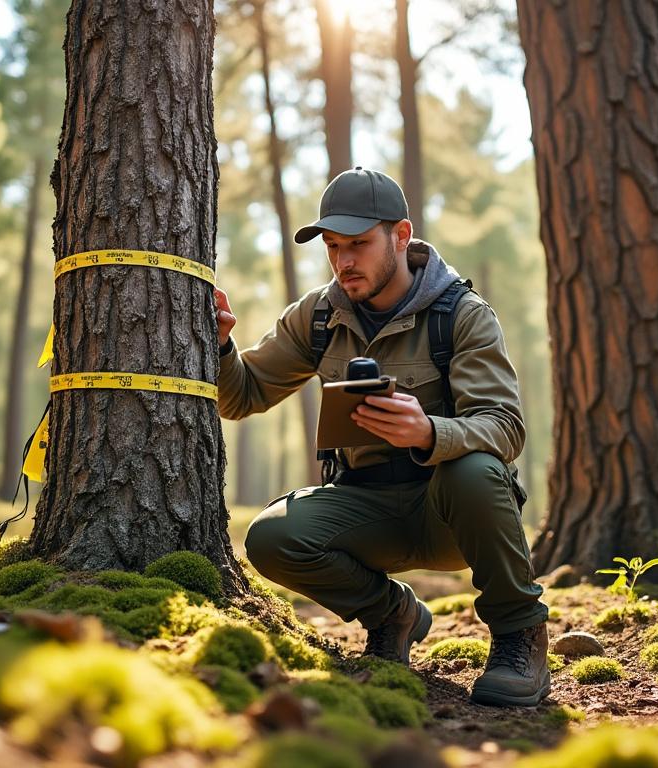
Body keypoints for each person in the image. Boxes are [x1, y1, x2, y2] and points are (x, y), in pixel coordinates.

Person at [214, 167, 550, 707]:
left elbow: (505, 426)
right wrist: (220, 346)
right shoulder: (318, 317)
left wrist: (429, 432)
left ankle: (519, 638)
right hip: (364, 507)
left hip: (451, 514)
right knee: (270, 536)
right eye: (333, 247)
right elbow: (241, 396)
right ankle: (390, 614)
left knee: (477, 468)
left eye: (358, 245)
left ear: (400, 236)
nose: (344, 261)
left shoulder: (461, 315)